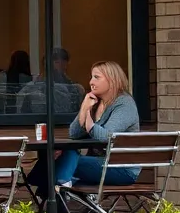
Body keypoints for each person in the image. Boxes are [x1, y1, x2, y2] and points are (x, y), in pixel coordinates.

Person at [32, 60, 140, 199]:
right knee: (69, 152)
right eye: (91, 77)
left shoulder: (124, 104)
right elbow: (74, 134)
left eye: (96, 77)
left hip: (121, 168)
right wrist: (84, 107)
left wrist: (89, 122)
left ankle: (54, 191)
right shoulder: (95, 102)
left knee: (64, 159)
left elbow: (106, 137)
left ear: (112, 80)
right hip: (100, 165)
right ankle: (60, 188)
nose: (91, 82)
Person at [18, 47, 85, 114]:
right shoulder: (30, 88)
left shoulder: (73, 88)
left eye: (64, 64)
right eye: (57, 62)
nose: (63, 67)